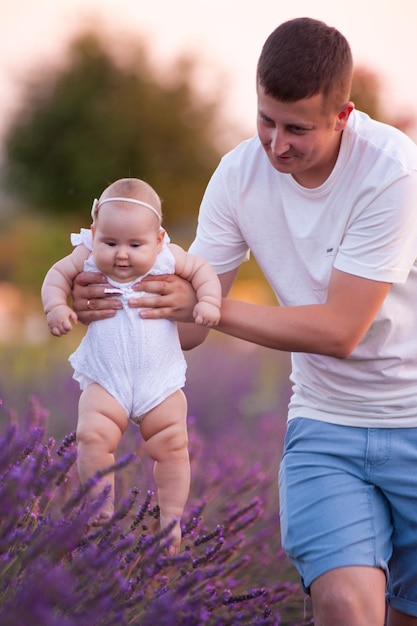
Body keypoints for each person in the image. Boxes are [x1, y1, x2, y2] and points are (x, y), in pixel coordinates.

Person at [70, 17, 417, 626]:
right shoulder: (237, 175)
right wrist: (111, 297)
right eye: (265, 119)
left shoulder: (391, 169)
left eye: (297, 129)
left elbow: (341, 331)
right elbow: (189, 328)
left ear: (343, 116)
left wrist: (208, 305)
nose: (275, 144)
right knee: (345, 607)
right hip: (325, 424)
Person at [41, 177, 221, 554]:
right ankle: (99, 513)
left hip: (160, 382)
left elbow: (204, 271)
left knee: (173, 445)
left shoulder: (170, 257)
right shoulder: (86, 256)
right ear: (94, 234)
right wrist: (56, 306)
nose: (121, 254)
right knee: (91, 437)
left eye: (135, 245)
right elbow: (56, 276)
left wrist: (208, 302)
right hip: (107, 379)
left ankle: (171, 521)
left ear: (159, 239)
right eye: (110, 243)